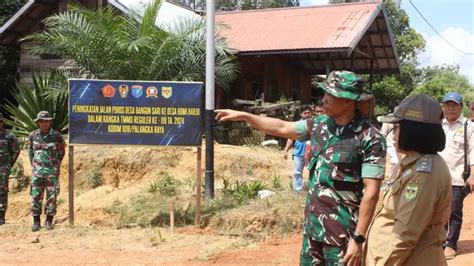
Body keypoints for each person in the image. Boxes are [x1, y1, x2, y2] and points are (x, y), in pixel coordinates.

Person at [216, 70, 386, 265]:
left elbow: (372, 193)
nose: (323, 100)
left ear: (347, 100)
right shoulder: (319, 125)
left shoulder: (370, 138)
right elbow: (281, 127)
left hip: (343, 236)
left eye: (329, 95)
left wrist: (358, 239)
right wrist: (246, 116)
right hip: (313, 230)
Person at [365, 94, 451, 265]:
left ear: (413, 130)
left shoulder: (424, 174)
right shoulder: (415, 164)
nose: (392, 134)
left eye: (396, 127)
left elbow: (404, 236)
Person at [439, 92, 474, 259]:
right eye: (448, 104)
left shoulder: (468, 126)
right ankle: (438, 241)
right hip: (437, 177)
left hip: (457, 177)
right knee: (437, 211)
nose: (451, 108)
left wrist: (473, 175)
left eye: (454, 105)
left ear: (461, 107)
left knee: (453, 211)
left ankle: (451, 244)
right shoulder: (438, 124)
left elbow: (473, 151)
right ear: (443, 106)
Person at [28, 111, 65, 231]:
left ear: (50, 122)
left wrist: (53, 165)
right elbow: (30, 153)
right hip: (37, 172)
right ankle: (36, 222)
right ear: (38, 122)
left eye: (47, 121)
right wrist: (36, 166)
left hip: (51, 172)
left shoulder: (57, 136)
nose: (44, 124)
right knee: (35, 197)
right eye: (42, 121)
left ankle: (49, 221)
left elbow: (61, 153)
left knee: (52, 197)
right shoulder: (32, 136)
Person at [284, 107, 313, 192]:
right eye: (305, 113)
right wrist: (286, 150)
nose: (307, 114)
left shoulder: (314, 124)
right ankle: (297, 190)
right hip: (298, 152)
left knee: (313, 172)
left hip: (311, 152)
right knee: (297, 172)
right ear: (301, 114)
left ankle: (312, 190)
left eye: (308, 113)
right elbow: (290, 138)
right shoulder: (297, 124)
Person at [0, 113, 20, 225]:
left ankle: (1, 216)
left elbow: (16, 150)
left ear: (2, 122)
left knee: (2, 191)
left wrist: (8, 164)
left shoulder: (9, 135)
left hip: (3, 168)